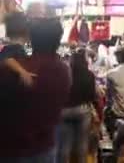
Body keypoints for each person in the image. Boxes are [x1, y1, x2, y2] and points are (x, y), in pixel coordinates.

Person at [0, 17, 72, 162]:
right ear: (58, 40)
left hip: (12, 149)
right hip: (45, 147)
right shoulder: (64, 70)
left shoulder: (15, 69)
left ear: (30, 38)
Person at [57, 49, 99, 163]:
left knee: (64, 145)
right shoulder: (89, 75)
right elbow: (93, 96)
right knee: (82, 144)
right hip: (82, 110)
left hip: (64, 111)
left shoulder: (65, 73)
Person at [105, 46, 124, 139]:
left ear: (117, 57)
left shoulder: (111, 74)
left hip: (119, 113)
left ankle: (113, 137)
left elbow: (109, 97)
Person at [0, 12, 36, 86]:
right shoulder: (15, 48)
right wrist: (22, 71)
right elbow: (6, 58)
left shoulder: (8, 48)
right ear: (27, 32)